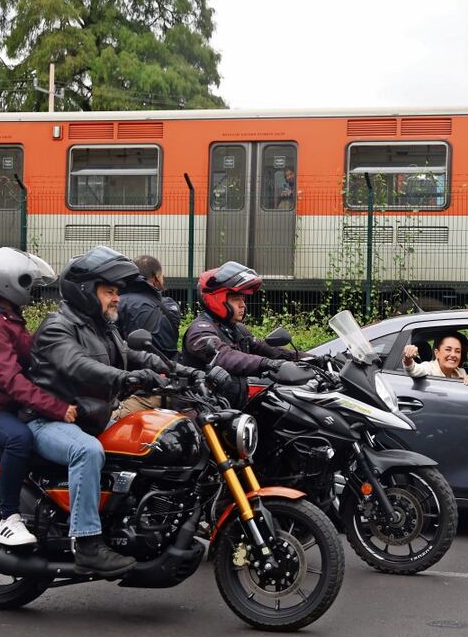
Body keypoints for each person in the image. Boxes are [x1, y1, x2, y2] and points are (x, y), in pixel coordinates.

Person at [27, 245, 172, 575]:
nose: (117, 298)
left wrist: (174, 370)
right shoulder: (57, 326)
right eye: (109, 291)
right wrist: (126, 378)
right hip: (48, 420)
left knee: (151, 440)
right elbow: (78, 365)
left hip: (92, 418)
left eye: (117, 292)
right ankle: (88, 542)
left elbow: (133, 355)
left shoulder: (102, 326)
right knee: (87, 452)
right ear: (84, 292)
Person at [0, 248, 77, 546]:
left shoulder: (8, 318)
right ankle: (8, 518)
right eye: (27, 282)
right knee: (19, 439)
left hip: (7, 409)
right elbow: (12, 380)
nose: (31, 289)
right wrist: (57, 408)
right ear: (7, 281)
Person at [180, 261, 309, 407]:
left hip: (233, 407)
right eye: (236, 299)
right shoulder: (200, 331)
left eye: (243, 299)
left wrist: (308, 358)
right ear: (216, 299)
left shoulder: (236, 329)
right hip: (205, 412)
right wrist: (267, 364)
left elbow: (263, 347)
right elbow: (225, 356)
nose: (242, 305)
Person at [114, 255, 182, 419]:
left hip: (133, 388)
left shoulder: (117, 302)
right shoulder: (170, 306)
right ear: (157, 278)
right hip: (169, 383)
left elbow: (113, 346)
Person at [402, 332, 468, 385]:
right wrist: (408, 358)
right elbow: (413, 370)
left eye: (457, 351)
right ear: (437, 353)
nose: (453, 354)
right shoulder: (429, 367)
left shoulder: (461, 372)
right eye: (448, 350)